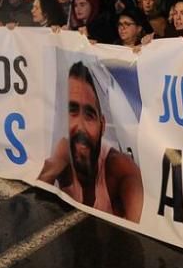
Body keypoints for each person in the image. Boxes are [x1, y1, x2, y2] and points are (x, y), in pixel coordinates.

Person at [37, 61, 143, 222]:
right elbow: (36, 200)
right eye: (72, 111)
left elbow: (141, 229)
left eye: (89, 115)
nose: (80, 127)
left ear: (103, 125)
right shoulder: (64, 153)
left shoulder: (120, 168)